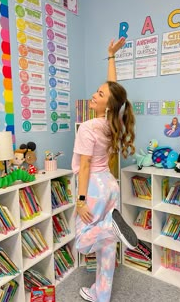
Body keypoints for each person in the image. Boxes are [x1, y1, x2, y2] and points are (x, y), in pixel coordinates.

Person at [71, 37, 138, 302]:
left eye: (99, 94)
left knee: (82, 240)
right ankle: (101, 294)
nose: (94, 94)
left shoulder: (88, 127)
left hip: (95, 187)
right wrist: (111, 56)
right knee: (107, 249)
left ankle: (112, 228)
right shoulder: (115, 121)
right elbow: (113, 90)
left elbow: (85, 165)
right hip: (110, 185)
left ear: (106, 105)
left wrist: (80, 200)